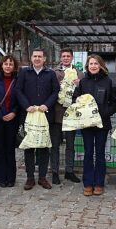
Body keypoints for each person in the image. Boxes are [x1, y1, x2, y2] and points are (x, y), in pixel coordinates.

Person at [73, 54, 116, 196]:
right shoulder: (83, 82)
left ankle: (99, 183)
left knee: (99, 154)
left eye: (96, 64)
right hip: (86, 124)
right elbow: (75, 99)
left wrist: (104, 113)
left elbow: (114, 102)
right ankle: (87, 183)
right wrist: (78, 101)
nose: (93, 66)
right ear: (87, 66)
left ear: (101, 66)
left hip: (101, 124)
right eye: (91, 64)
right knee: (88, 153)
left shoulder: (108, 82)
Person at [16, 48, 60, 190]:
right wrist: (26, 105)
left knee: (43, 147)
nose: (37, 59)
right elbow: (18, 90)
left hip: (45, 115)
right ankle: (30, 178)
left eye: (40, 56)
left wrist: (46, 105)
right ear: (31, 58)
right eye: (34, 56)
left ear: (44, 59)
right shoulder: (24, 73)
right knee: (29, 147)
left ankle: (42, 177)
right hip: (29, 115)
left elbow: (55, 91)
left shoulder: (50, 74)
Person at [50, 48, 84, 185]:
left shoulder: (80, 74)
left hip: (71, 115)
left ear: (72, 57)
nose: (65, 58)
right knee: (55, 145)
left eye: (68, 56)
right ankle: (55, 172)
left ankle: (69, 171)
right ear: (60, 57)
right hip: (57, 113)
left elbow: (83, 93)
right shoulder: (53, 73)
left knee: (70, 145)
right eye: (63, 56)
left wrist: (78, 85)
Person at [0, 55, 20, 188]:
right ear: (1, 65)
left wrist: (14, 112)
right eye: (5, 64)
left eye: (10, 64)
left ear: (14, 66)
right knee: (0, 148)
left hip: (13, 119)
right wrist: (2, 116)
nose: (8, 66)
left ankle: (11, 177)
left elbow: (20, 100)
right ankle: (1, 177)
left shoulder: (18, 81)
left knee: (10, 148)